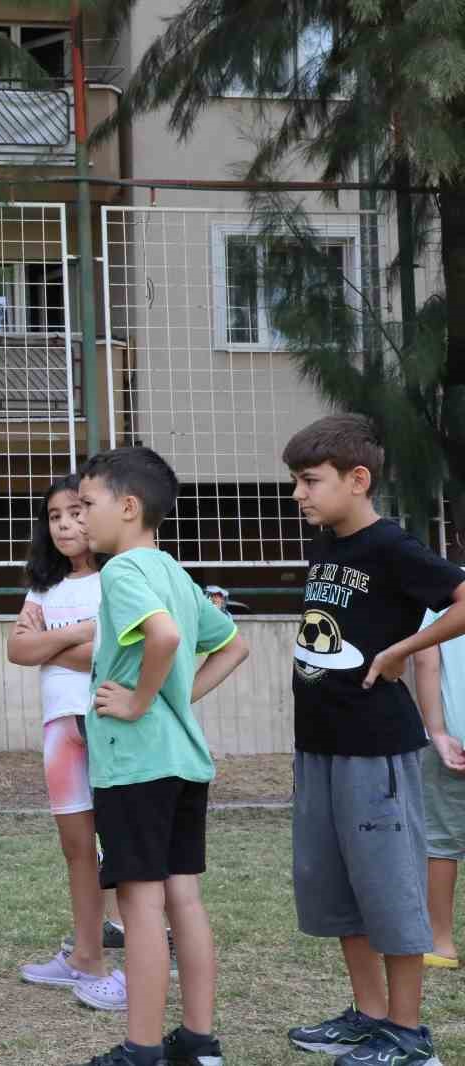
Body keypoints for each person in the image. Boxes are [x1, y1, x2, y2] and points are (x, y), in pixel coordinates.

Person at [279, 414, 465, 1065]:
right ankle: (370, 1015)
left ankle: (409, 1038)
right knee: (338, 891)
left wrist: (404, 650)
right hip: (320, 745)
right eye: (296, 482)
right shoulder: (325, 542)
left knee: (388, 890)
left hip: (375, 751)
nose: (298, 494)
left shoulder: (392, 546)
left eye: (309, 481)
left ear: (358, 479)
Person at [72, 446, 251, 1066]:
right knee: (185, 901)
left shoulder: (121, 573)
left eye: (87, 504)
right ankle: (198, 1043)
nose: (79, 515)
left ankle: (142, 1050)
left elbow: (167, 638)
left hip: (135, 765)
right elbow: (233, 647)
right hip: (181, 764)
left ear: (128, 507)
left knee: (141, 905)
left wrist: (142, 701)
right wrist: (176, 699)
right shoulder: (172, 572)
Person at [8, 473, 126, 1007]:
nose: (65, 524)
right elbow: (16, 650)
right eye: (55, 516)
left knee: (121, 847)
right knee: (77, 849)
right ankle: (85, 957)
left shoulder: (118, 577)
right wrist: (79, 633)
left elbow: (111, 658)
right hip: (59, 728)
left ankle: (141, 959)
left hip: (103, 720)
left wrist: (47, 643)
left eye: (77, 512)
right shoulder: (44, 587)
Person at [415, 601, 465, 972]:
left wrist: (437, 731)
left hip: (452, 738)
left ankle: (441, 941)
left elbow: (425, 661)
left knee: (441, 841)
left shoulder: (442, 595)